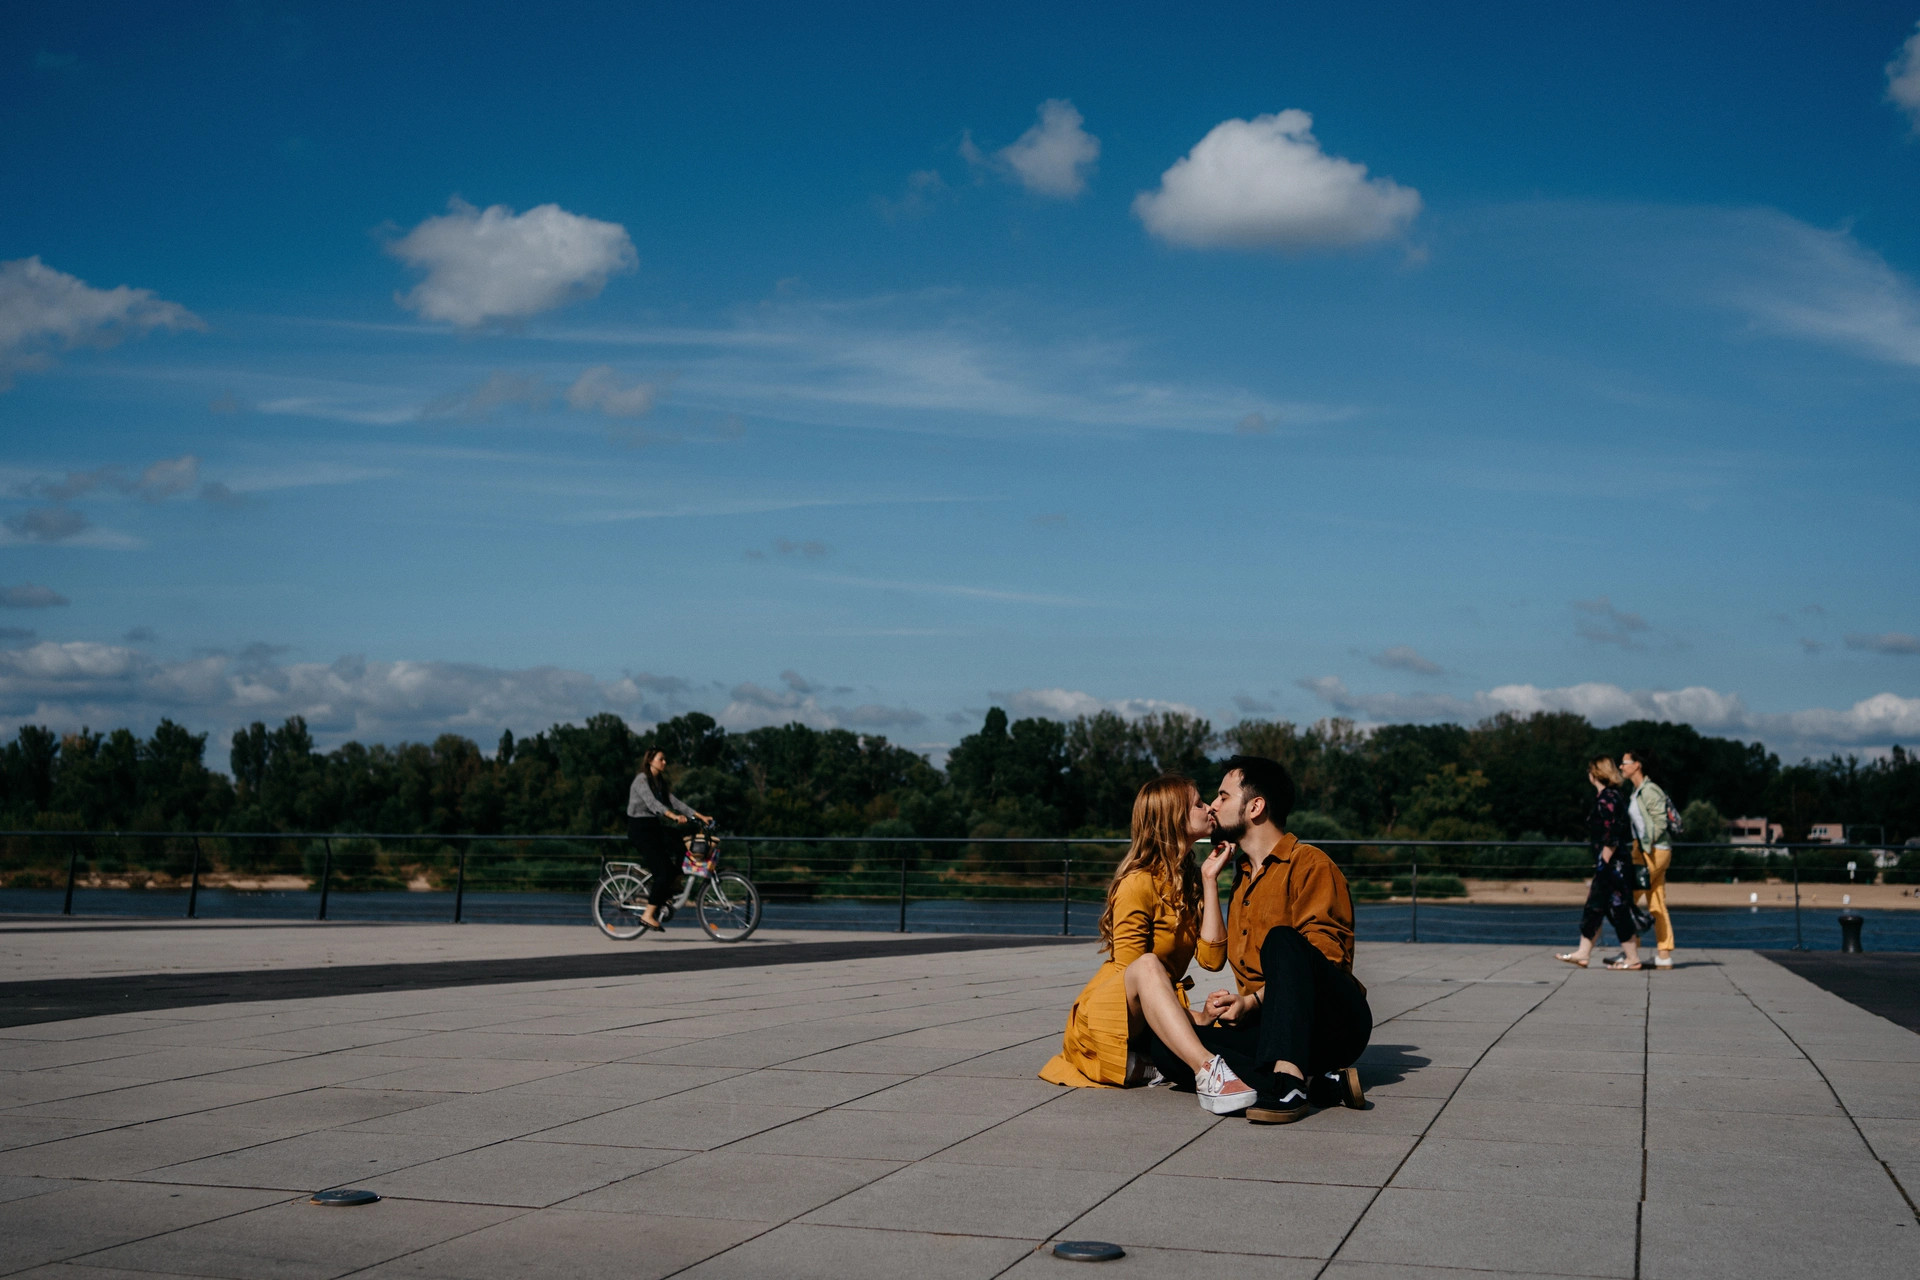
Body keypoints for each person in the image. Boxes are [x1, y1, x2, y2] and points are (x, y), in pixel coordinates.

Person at [1145, 755, 1371, 1125]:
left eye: (1223, 796)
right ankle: (1316, 1083)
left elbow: (1325, 960)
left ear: (1255, 807)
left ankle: (1290, 1083)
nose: (1213, 806)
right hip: (1269, 1027)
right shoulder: (1242, 878)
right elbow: (1213, 959)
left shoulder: (1310, 864)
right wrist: (1208, 880)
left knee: (1283, 940)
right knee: (1170, 1048)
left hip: (1332, 1024)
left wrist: (1251, 1002)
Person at [1039, 774, 1256, 1116]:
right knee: (1148, 964)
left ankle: (1146, 1066)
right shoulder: (1137, 883)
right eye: (1198, 804)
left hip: (1146, 1013)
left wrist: (1210, 880)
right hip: (1109, 1015)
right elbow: (1134, 972)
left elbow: (1212, 960)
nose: (1209, 808)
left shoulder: (1190, 881)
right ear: (1174, 818)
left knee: (1219, 1024)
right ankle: (1208, 1072)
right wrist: (1191, 1016)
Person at [1556, 756, 1643, 970]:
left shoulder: (1607, 798)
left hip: (1613, 865)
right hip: (1613, 863)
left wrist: (1603, 862)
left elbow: (1611, 833)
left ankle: (1632, 959)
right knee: (1595, 908)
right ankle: (1583, 953)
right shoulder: (1611, 796)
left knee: (1617, 909)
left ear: (1595, 773)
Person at [627, 748, 712, 930]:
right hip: (640, 830)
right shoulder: (641, 780)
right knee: (663, 872)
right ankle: (648, 915)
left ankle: (673, 883)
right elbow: (653, 803)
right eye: (661, 759)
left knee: (681, 846)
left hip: (653, 827)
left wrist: (699, 816)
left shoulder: (658, 781)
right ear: (650, 761)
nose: (664, 762)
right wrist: (673, 816)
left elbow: (674, 802)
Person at [1621, 748, 1675, 968]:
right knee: (1656, 901)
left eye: (1625, 762)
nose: (1621, 766)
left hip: (1652, 851)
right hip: (1644, 850)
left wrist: (1646, 843)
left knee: (1626, 896)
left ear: (1637, 765)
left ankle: (1631, 952)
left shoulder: (1650, 790)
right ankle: (1664, 954)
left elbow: (1660, 823)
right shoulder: (1637, 791)